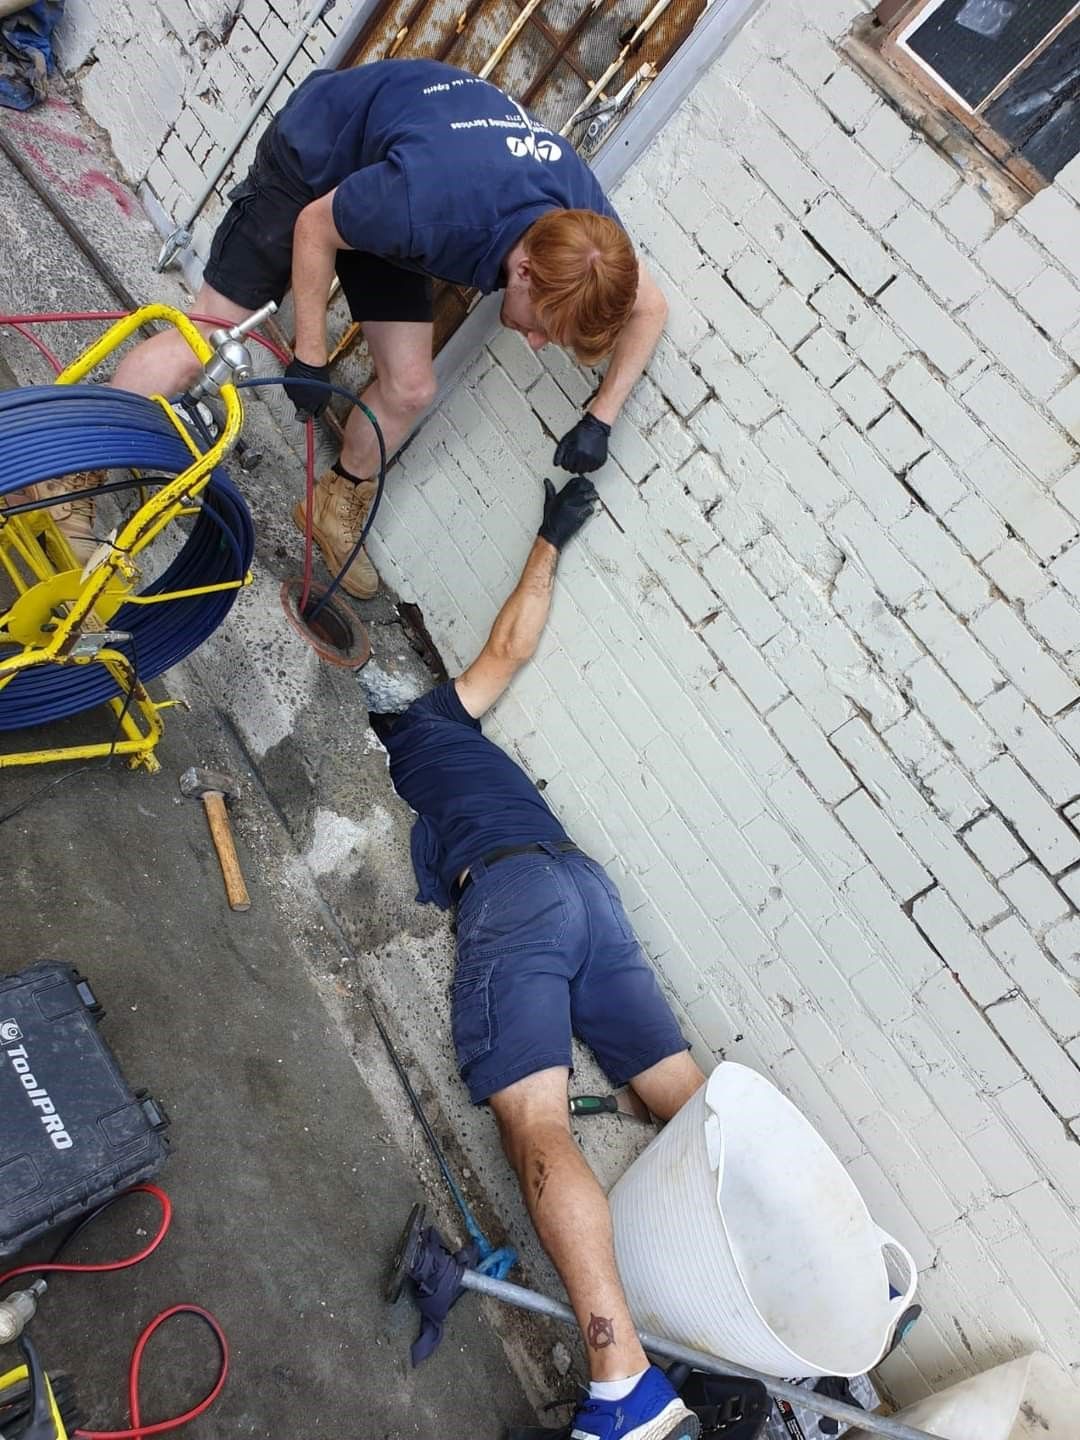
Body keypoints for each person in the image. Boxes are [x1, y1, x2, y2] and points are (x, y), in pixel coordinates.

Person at [49, 58, 667, 593]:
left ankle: (333, 507)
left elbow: (652, 306)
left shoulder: (585, 237)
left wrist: (600, 416)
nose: (533, 340)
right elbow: (317, 225)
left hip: (393, 186)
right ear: (526, 270)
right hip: (317, 160)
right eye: (542, 328)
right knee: (209, 333)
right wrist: (311, 355)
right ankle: (65, 466)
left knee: (411, 388)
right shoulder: (438, 207)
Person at [373, 473, 705, 1440]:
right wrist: (551, 537)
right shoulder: (448, 726)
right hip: (584, 887)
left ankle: (624, 1387)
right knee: (688, 1103)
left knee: (536, 1123)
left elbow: (497, 651)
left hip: (513, 898)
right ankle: (783, 1286)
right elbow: (509, 646)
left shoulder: (411, 739)